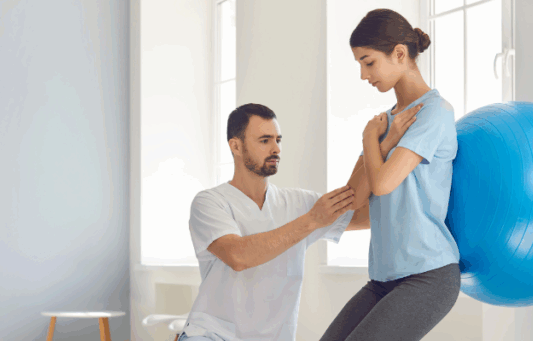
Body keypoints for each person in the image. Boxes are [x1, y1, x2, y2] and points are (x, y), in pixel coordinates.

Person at [179, 102, 419, 341]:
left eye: (278, 140)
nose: (276, 149)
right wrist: (312, 220)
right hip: (212, 335)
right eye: (264, 140)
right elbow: (238, 257)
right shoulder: (210, 202)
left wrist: (381, 146)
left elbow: (356, 209)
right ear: (236, 146)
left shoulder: (298, 202)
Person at [320, 8, 461, 341]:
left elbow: (382, 184)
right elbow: (354, 198)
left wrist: (370, 140)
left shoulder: (434, 114)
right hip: (384, 279)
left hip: (429, 275)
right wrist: (382, 145)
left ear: (400, 53)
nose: (363, 75)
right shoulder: (387, 122)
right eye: (359, 65)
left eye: (368, 62)